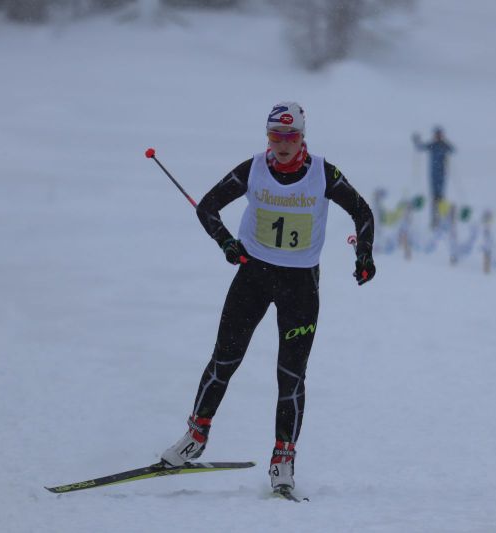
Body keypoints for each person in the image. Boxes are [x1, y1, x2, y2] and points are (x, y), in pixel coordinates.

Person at [160, 102, 376, 495]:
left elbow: (362, 212)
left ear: (303, 137)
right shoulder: (254, 169)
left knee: (290, 375)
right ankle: (196, 435)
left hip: (300, 286)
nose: (282, 144)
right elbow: (208, 207)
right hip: (253, 278)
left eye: (290, 136)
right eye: (275, 136)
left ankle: (283, 460)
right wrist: (226, 243)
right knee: (224, 360)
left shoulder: (324, 173)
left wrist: (364, 255)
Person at [412, 126, 455, 228]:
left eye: (439, 134)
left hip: (442, 174)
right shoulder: (433, 145)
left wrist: (446, 145)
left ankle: (442, 219)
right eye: (437, 134)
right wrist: (417, 140)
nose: (438, 136)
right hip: (433, 175)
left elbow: (452, 150)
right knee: (434, 197)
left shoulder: (443, 145)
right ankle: (435, 220)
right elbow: (420, 147)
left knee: (441, 197)